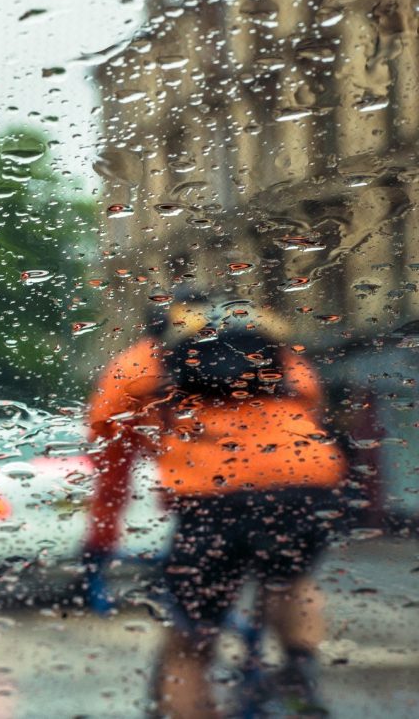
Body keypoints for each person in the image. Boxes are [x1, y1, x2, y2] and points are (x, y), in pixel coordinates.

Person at [80, 295, 346, 719]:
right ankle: (299, 670)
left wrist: (100, 539)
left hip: (210, 493)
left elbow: (111, 459)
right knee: (291, 579)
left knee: (190, 641)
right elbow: (311, 399)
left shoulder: (139, 363)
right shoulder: (264, 344)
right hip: (304, 477)